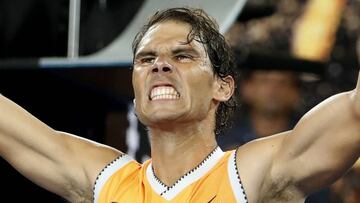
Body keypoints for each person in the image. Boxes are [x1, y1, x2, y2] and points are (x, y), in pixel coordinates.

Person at [0, 7, 359, 202]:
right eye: (146, 59)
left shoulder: (253, 175)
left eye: (183, 56)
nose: (159, 65)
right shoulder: (107, 181)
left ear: (223, 86)